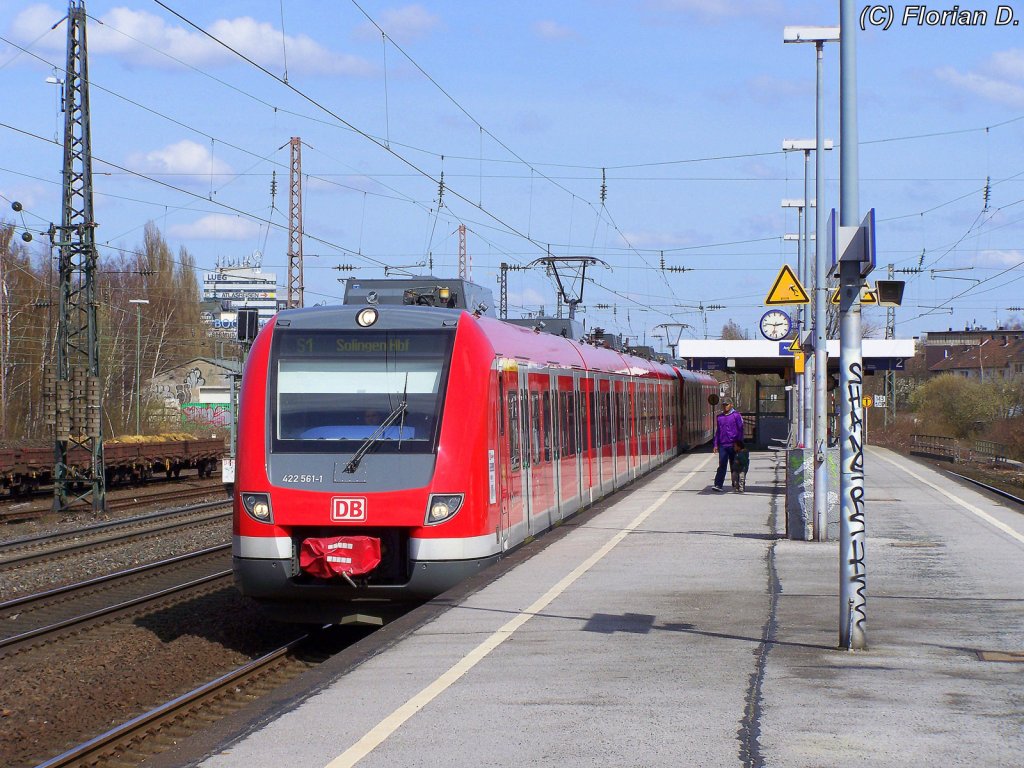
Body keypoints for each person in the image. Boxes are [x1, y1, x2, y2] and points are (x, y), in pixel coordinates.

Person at [712, 399, 744, 492]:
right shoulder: (719, 417)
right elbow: (718, 432)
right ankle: (718, 484)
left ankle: (737, 483)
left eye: (727, 404)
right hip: (723, 445)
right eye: (724, 405)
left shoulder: (736, 416)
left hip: (734, 444)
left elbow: (740, 430)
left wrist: (739, 444)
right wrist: (715, 444)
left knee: (735, 465)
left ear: (731, 405)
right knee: (722, 464)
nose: (725, 406)